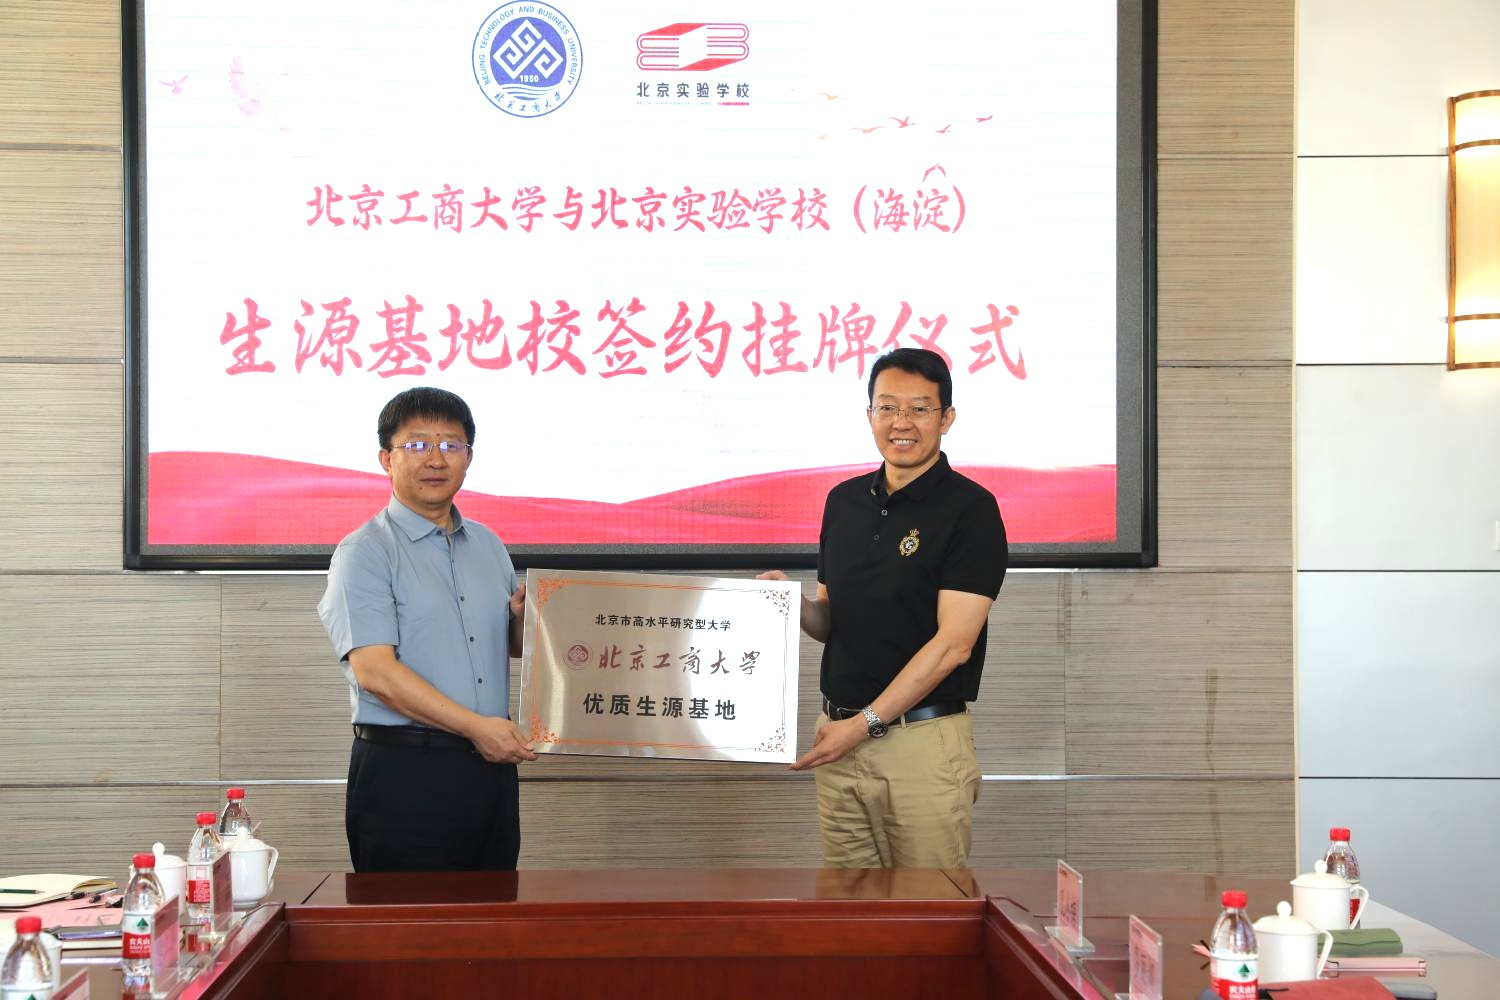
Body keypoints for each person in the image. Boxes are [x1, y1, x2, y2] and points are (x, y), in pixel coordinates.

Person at [762, 348, 1007, 868]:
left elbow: (954, 646)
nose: (902, 422)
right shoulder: (843, 502)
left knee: (929, 907)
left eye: (920, 409)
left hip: (919, 744)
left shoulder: (971, 510)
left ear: (947, 418)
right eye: (888, 407)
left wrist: (864, 724)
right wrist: (790, 605)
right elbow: (832, 620)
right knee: (850, 908)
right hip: (838, 738)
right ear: (870, 414)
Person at [318, 386, 536, 872]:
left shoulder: (489, 545)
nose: (436, 459)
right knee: (410, 917)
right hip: (406, 773)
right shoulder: (365, 552)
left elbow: (512, 646)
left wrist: (526, 620)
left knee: (493, 910)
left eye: (451, 445)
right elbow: (375, 673)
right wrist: (477, 729)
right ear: (386, 459)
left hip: (490, 771)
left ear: (468, 458)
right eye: (417, 444)